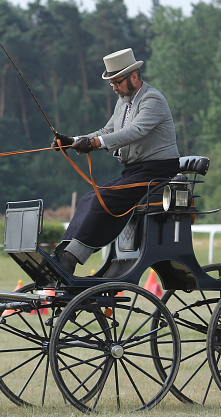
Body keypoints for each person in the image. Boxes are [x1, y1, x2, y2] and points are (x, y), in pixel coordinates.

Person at [51, 48, 180, 274]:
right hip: (134, 172)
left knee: (103, 198)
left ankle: (70, 259)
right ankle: (63, 253)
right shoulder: (123, 102)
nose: (114, 87)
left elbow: (134, 131)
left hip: (158, 172)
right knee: (89, 197)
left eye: (117, 82)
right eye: (111, 83)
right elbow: (107, 130)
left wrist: (94, 143)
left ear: (133, 76)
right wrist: (72, 141)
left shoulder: (153, 100)